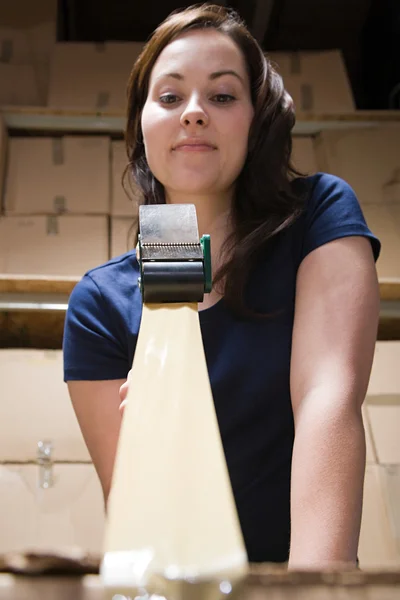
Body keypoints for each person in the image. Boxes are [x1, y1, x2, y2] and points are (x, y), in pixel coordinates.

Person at [63, 3, 381, 570]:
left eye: (222, 95)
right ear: (141, 122)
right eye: (169, 97)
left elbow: (326, 401)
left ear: (257, 118)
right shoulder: (101, 303)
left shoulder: (318, 215)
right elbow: (137, 525)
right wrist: (153, 442)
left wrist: (315, 587)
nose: (193, 114)